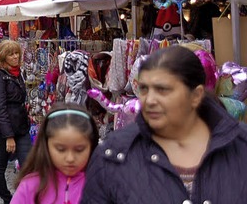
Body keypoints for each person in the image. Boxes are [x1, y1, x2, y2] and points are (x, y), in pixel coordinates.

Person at [81, 45, 247, 203]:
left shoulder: (240, 146)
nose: (151, 100)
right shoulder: (114, 154)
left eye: (163, 90)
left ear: (196, 95)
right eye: (144, 89)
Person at [11, 103, 98, 204]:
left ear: (91, 146)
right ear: (46, 145)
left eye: (79, 150)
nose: (70, 158)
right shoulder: (31, 185)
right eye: (61, 149)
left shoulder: (100, 185)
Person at [0, 40, 31, 204]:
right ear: (3, 56)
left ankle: (26, 197)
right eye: (10, 54)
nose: (15, 57)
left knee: (28, 165)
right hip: (3, 130)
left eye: (16, 53)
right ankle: (8, 199)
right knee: (0, 166)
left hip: (21, 127)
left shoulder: (18, 73)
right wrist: (8, 136)